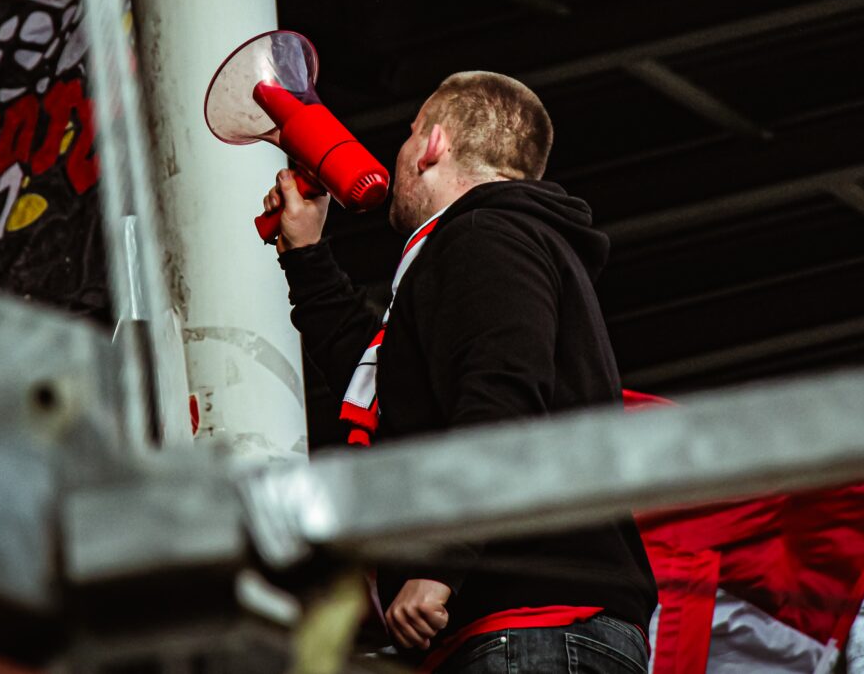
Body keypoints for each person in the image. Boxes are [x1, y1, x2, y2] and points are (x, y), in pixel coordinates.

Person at [262, 71, 657, 674]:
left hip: (532, 630)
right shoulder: (493, 242)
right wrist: (309, 257)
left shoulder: (485, 235)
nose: (401, 150)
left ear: (434, 144)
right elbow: (381, 383)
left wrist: (439, 564)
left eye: (411, 131)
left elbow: (503, 399)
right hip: (527, 633)